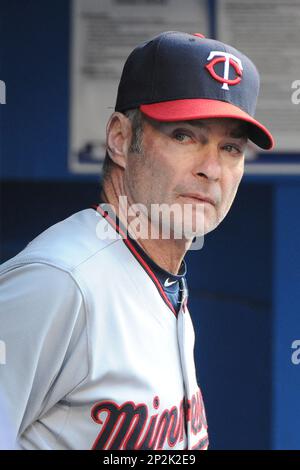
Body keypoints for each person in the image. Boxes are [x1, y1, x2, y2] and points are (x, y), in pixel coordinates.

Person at [0, 31, 274, 450]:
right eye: (184, 135)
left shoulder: (162, 276)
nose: (212, 169)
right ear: (120, 139)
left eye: (231, 148)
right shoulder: (60, 282)